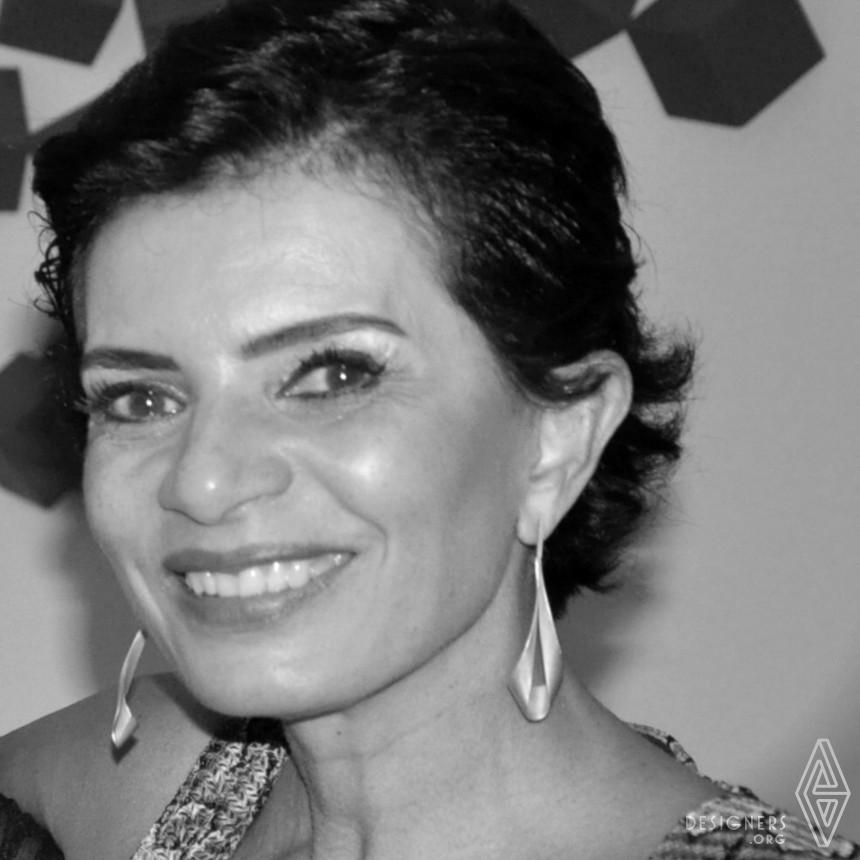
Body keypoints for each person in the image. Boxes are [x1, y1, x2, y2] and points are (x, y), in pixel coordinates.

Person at [0, 1, 856, 858]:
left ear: (560, 437)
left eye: (333, 376)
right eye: (140, 399)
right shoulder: (111, 786)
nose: (203, 480)